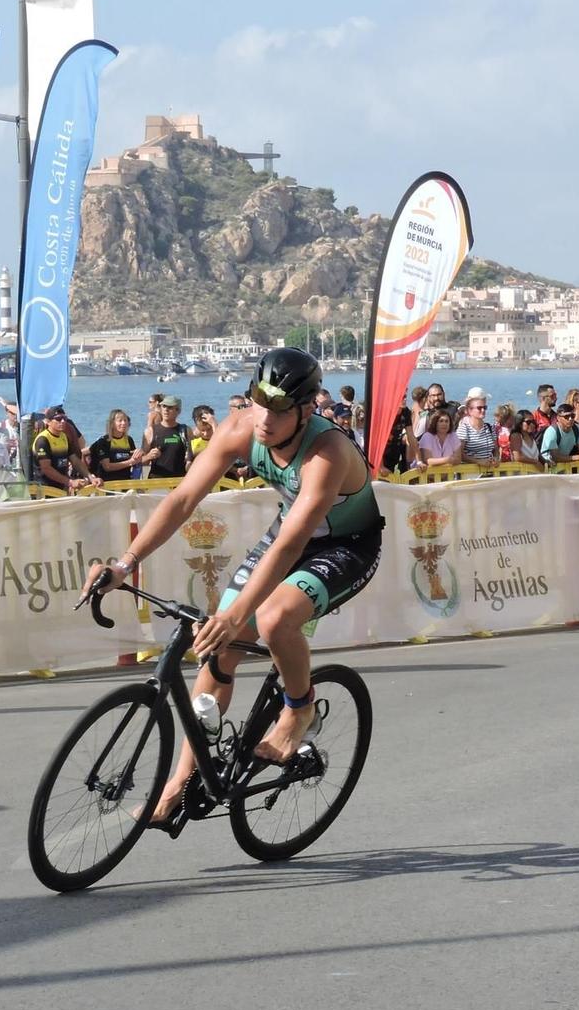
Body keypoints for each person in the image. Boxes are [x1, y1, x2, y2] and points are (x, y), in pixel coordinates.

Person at [84, 347, 384, 814]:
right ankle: (181, 782)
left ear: (307, 409)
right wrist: (125, 563)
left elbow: (291, 545)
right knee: (218, 655)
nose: (265, 417)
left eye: (280, 407)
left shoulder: (327, 453)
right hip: (288, 531)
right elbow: (184, 498)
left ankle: (300, 707)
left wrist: (236, 614)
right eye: (257, 399)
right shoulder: (243, 428)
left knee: (273, 618)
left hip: (345, 546)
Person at [29, 405, 95, 490]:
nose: (63, 421)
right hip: (44, 489)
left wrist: (90, 477)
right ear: (48, 421)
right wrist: (70, 482)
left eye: (64, 418)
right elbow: (46, 468)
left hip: (61, 487)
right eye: (58, 419)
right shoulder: (43, 440)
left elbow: (74, 460)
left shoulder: (64, 437)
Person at [88, 408, 143, 482]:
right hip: (107, 482)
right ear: (112, 423)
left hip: (125, 481)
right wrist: (130, 462)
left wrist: (140, 453)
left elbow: (135, 460)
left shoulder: (129, 440)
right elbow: (107, 467)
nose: (123, 423)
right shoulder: (104, 441)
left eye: (125, 420)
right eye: (120, 420)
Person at [142, 398, 191, 478]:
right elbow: (141, 462)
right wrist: (149, 456)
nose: (166, 410)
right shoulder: (151, 431)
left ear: (178, 411)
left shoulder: (185, 430)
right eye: (164, 406)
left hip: (179, 480)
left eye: (170, 407)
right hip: (157, 481)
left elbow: (192, 455)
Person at [455, 389, 497, 465]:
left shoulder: (490, 427)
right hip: (470, 474)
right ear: (469, 410)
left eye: (485, 407)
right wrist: (478, 461)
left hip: (489, 473)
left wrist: (496, 458)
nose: (483, 410)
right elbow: (459, 454)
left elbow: (495, 449)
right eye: (479, 408)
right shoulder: (464, 428)